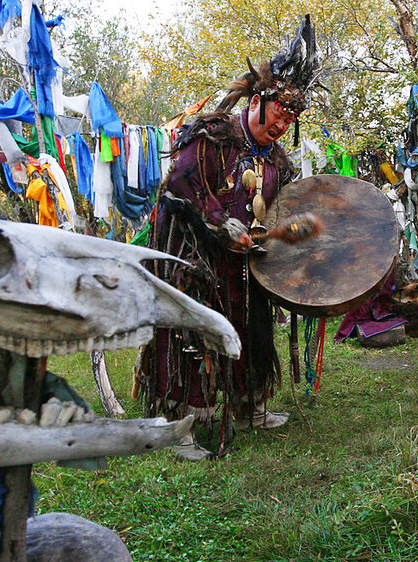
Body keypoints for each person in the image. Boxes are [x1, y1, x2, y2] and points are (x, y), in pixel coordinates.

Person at [136, 16, 321, 460]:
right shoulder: (212, 135)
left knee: (250, 328)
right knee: (192, 335)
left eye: (293, 115)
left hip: (242, 265)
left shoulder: (276, 162)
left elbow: (276, 213)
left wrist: (269, 238)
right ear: (259, 99)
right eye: (281, 109)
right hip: (193, 260)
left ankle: (248, 406)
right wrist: (222, 224)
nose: (284, 121)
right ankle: (180, 423)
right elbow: (182, 185)